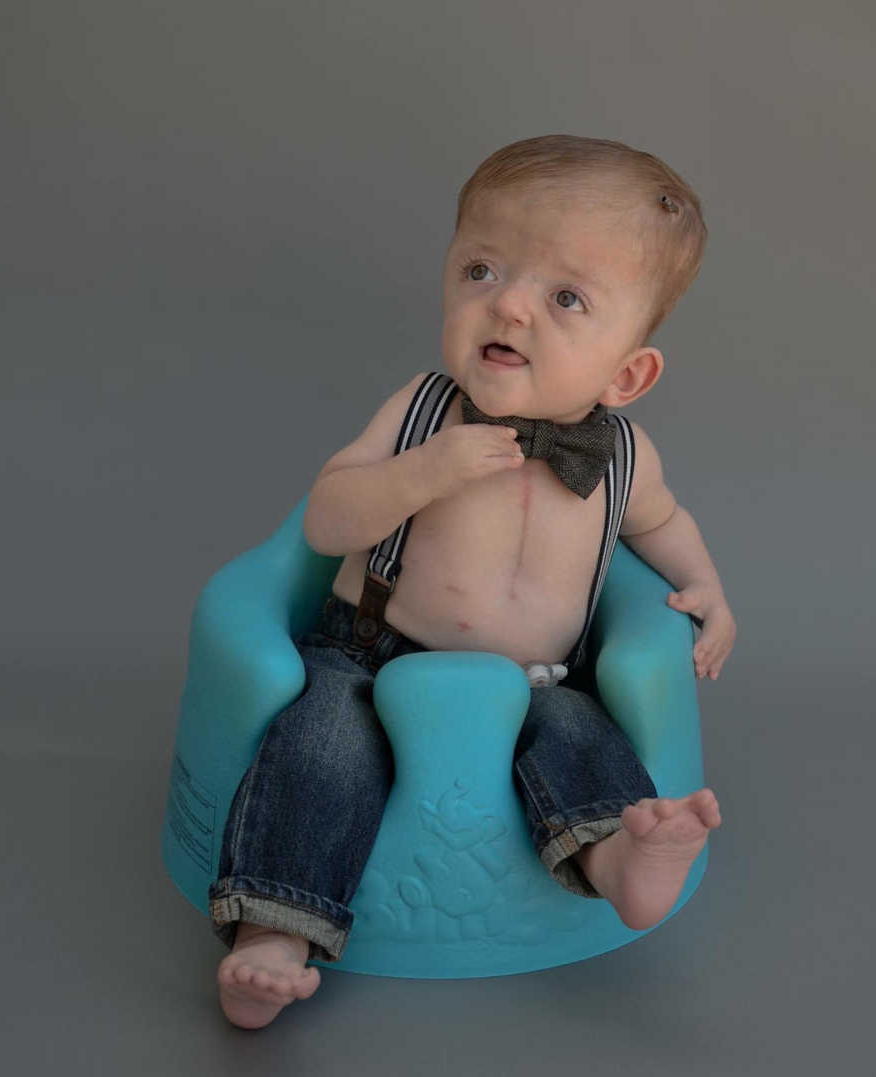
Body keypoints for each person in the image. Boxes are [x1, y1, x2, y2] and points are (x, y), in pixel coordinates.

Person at [210, 134, 736, 1029]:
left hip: (535, 680)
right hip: (368, 658)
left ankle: (621, 860)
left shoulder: (622, 455)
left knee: (580, 738)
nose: (512, 309)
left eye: (566, 296)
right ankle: (272, 935)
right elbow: (327, 519)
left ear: (628, 372)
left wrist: (709, 591)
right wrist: (424, 472)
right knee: (320, 751)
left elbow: (664, 524)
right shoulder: (419, 407)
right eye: (483, 270)